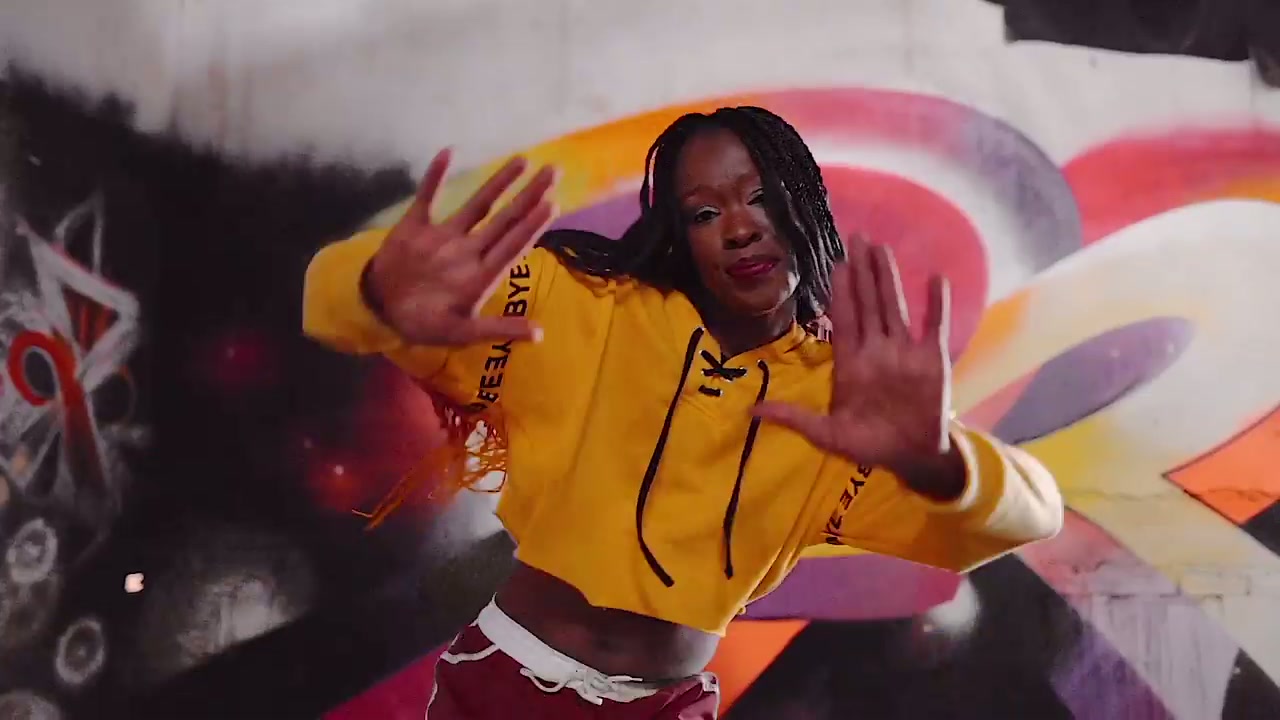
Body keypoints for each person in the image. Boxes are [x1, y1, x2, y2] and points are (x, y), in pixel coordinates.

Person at [302, 106, 1064, 719]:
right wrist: (374, 291)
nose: (739, 227)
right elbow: (334, 295)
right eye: (703, 212)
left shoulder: (842, 401)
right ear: (678, 232)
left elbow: (1028, 516)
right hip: (508, 688)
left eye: (761, 196)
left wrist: (939, 463)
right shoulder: (581, 306)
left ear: (805, 203)